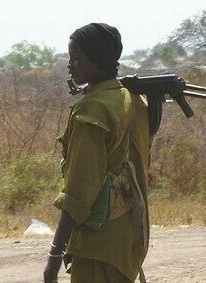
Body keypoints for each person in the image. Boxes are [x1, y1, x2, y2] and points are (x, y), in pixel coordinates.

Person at [44, 23, 151, 283]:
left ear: (98, 61)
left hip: (98, 245)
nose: (71, 65)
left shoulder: (91, 112)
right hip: (129, 239)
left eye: (77, 58)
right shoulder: (133, 100)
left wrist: (54, 257)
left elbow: (80, 191)